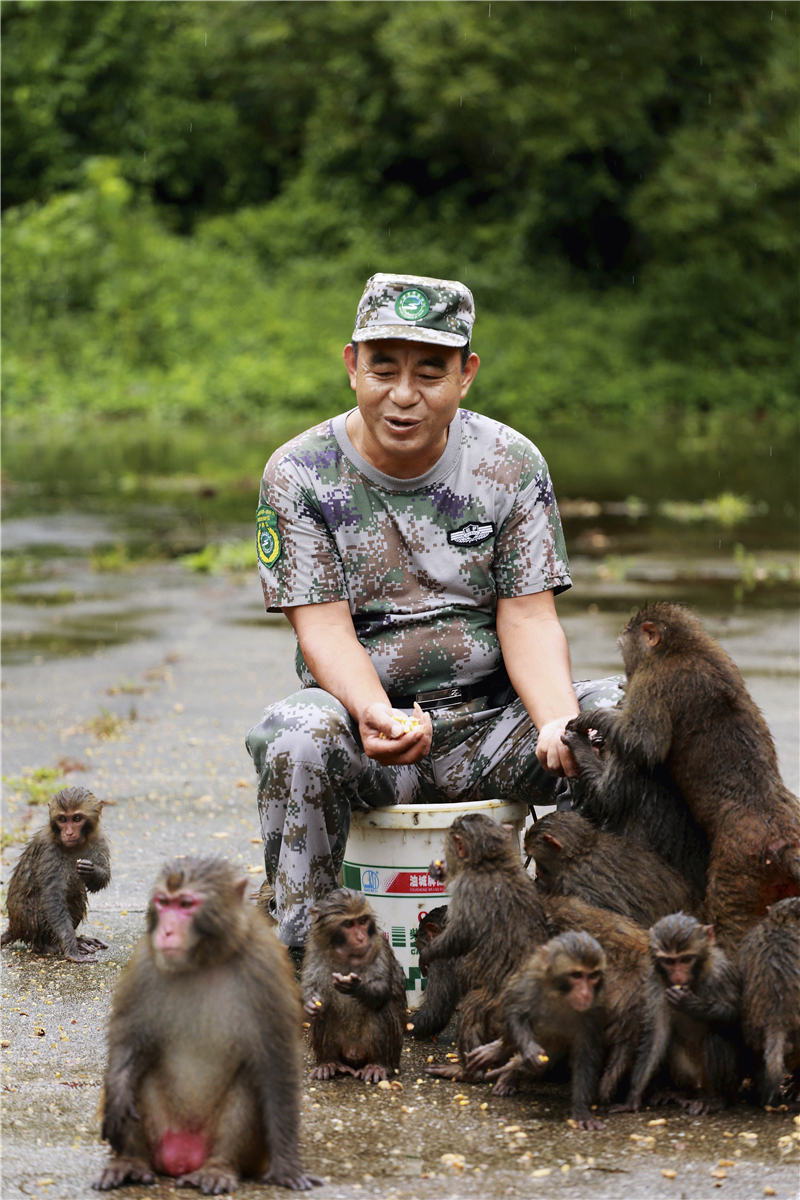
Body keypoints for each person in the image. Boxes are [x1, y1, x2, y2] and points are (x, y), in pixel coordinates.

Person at [246, 272, 621, 953]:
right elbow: (323, 626)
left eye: (431, 371)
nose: (404, 394)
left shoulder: (511, 463)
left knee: (617, 721)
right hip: (371, 737)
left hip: (490, 729)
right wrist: (371, 713)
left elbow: (530, 618)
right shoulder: (300, 473)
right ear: (351, 364)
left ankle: (583, 942)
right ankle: (303, 955)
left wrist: (557, 722)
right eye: (383, 368)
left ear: (466, 374)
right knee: (293, 733)